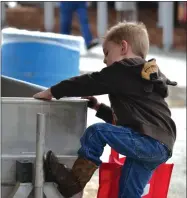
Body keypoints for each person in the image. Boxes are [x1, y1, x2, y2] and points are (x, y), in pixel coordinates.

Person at [33, 21, 177, 198]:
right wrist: (98, 107)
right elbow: (129, 124)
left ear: (124, 47)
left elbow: (88, 82)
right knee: (128, 192)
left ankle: (73, 182)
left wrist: (53, 91)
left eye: (107, 52)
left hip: (148, 141)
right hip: (161, 145)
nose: (104, 60)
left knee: (96, 132)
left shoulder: (125, 69)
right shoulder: (145, 75)